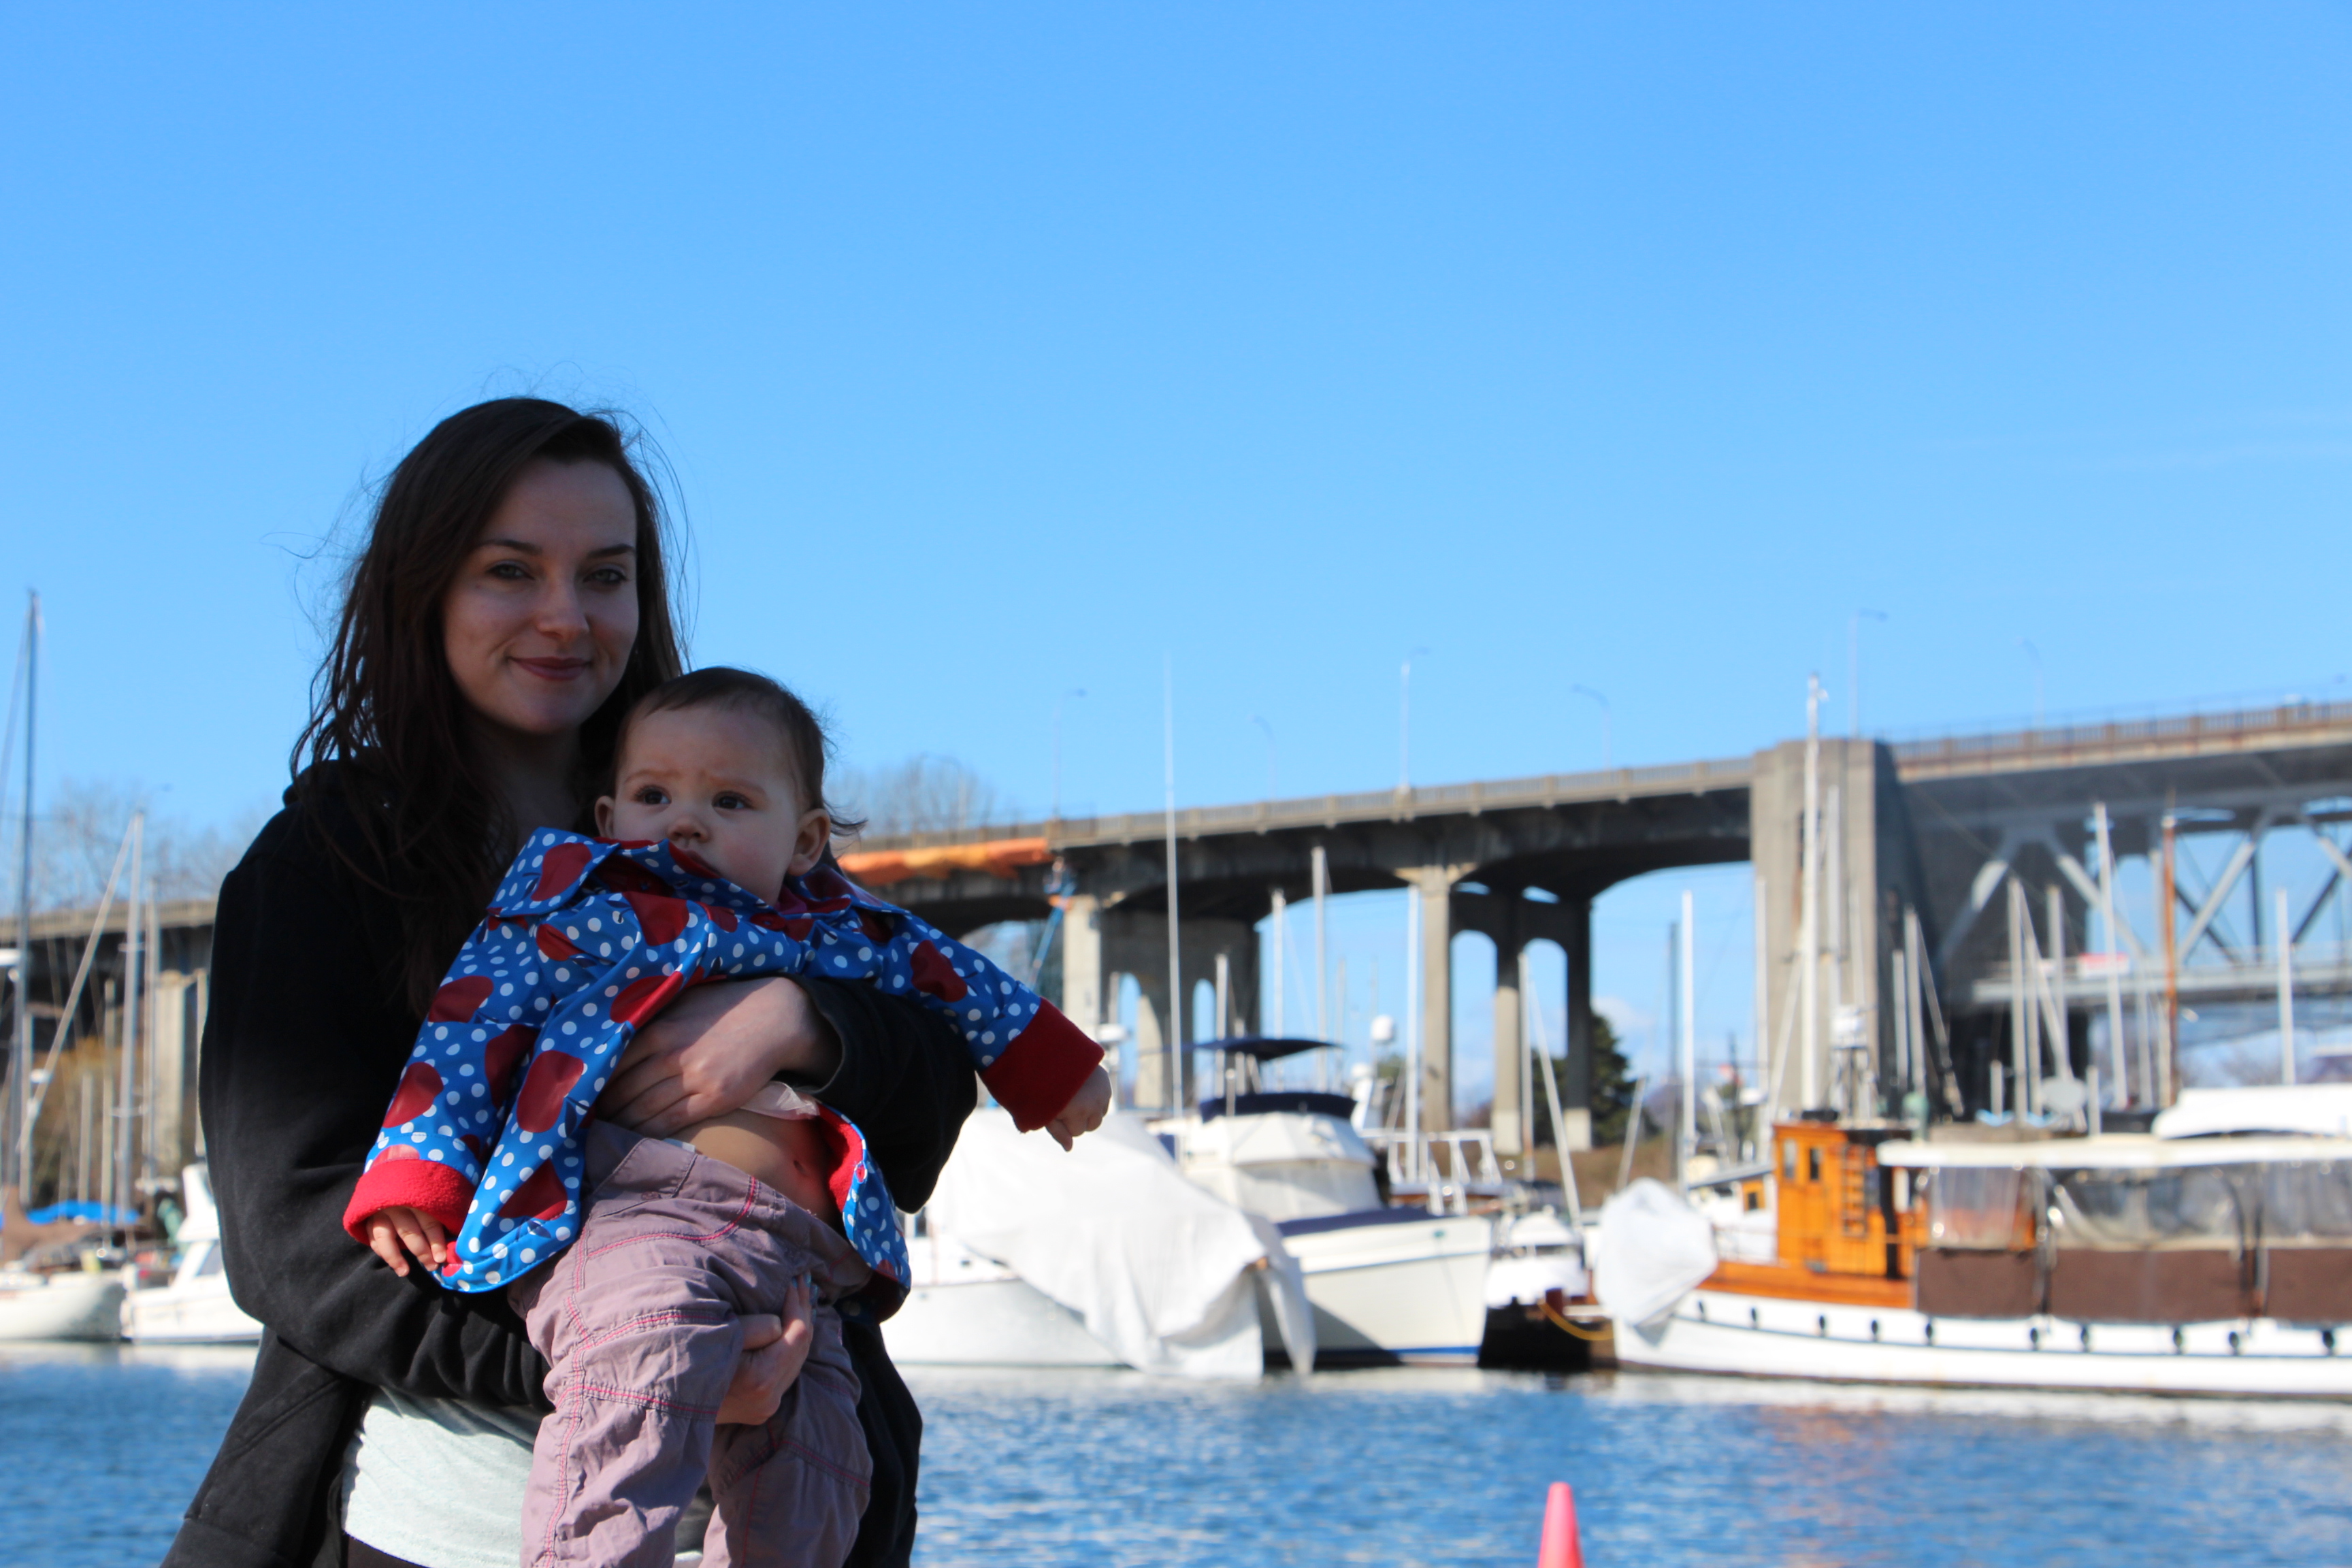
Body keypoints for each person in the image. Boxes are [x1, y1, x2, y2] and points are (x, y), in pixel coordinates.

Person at [165, 398, 998, 1568]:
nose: (566, 616)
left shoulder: (717, 814)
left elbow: (924, 1117)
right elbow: (295, 1243)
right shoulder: (326, 866)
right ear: (426, 588)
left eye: (606, 576)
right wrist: (654, 1360)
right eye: (512, 571)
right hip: (441, 1532)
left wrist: (804, 1023)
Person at [346, 668, 1108, 1565]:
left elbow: (956, 980)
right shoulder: (583, 909)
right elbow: (473, 1027)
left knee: (822, 1457)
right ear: (608, 819)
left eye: (731, 801)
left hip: (801, 1257)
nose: (686, 820)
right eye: (654, 796)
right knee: (638, 1376)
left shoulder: (843, 925)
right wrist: (418, 1173)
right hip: (640, 1219)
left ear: (807, 840)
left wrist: (1054, 1070)